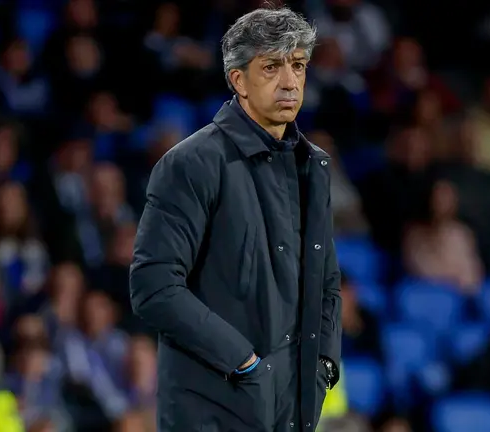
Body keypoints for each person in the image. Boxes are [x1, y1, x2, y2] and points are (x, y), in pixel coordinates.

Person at [129, 6, 342, 432]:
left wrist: (323, 366)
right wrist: (246, 364)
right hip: (212, 410)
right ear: (238, 80)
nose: (289, 82)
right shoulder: (191, 163)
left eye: (298, 65)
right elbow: (153, 287)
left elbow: (326, 282)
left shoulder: (313, 167)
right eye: (271, 67)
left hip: (291, 410)